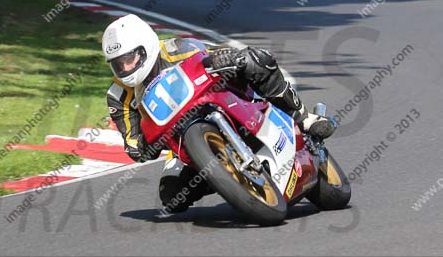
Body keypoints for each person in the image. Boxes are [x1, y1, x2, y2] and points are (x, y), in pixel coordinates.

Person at [103, 13, 336, 213]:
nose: (125, 68)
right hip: (181, 143)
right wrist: (140, 146)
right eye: (118, 64)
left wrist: (225, 58)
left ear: (147, 46)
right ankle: (225, 178)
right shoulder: (118, 95)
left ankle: (303, 117)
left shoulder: (175, 49)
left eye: (129, 59)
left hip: (219, 102)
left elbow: (210, 55)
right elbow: (133, 142)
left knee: (255, 60)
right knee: (172, 197)